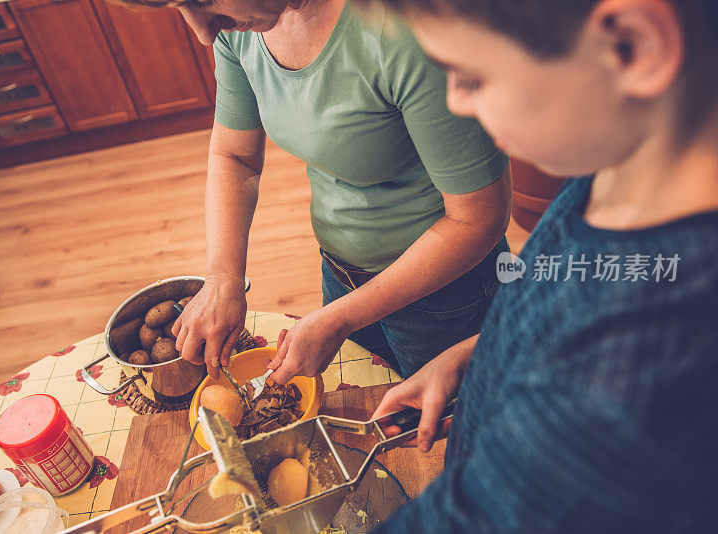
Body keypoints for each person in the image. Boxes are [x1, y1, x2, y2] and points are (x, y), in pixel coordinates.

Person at [354, 0, 718, 532]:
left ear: (633, 45)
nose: (455, 101)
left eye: (472, 76)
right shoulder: (619, 167)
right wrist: (473, 356)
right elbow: (576, 288)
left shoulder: (635, 366)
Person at [132, 0, 513, 382]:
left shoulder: (408, 29)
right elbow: (234, 155)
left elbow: (478, 219)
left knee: (459, 428)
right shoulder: (238, 29)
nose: (202, 32)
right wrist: (223, 277)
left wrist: (341, 318)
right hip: (339, 274)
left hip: (446, 295)